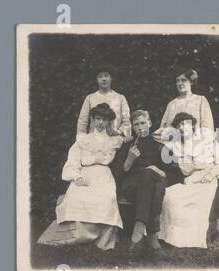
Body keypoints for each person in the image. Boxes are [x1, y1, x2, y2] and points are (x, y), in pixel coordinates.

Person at [155, 68, 219, 243]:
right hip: (178, 152)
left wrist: (199, 145)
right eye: (177, 81)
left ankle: (210, 232)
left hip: (199, 148)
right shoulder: (172, 104)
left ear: (191, 82)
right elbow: (163, 128)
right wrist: (175, 143)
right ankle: (178, 231)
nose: (180, 83)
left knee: (215, 188)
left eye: (184, 80)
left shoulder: (201, 101)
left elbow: (208, 127)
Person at [37, 103, 124, 250]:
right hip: (85, 173)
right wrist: (77, 177)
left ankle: (102, 239)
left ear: (109, 121)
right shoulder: (83, 140)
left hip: (104, 176)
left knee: (106, 197)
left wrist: (114, 132)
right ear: (92, 119)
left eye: (104, 119)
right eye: (98, 118)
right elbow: (73, 161)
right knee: (78, 195)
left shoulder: (114, 141)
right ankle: (79, 236)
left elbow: (129, 137)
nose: (100, 122)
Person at [113, 109, 183, 253]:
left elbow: (176, 175)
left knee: (150, 177)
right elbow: (117, 175)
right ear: (132, 127)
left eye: (143, 123)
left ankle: (138, 231)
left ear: (149, 123)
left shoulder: (160, 146)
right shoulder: (127, 146)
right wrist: (129, 160)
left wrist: (158, 171)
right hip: (132, 185)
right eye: (136, 124)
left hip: (156, 180)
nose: (140, 127)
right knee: (152, 184)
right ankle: (152, 237)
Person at [158, 112, 219, 248]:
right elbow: (186, 170)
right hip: (192, 180)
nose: (182, 127)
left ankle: (197, 238)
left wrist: (211, 173)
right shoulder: (180, 147)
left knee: (202, 203)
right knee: (170, 197)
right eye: (179, 125)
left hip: (210, 178)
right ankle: (176, 238)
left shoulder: (207, 140)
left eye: (185, 123)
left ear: (192, 125)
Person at [76, 64, 132, 140]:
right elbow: (82, 121)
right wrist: (81, 139)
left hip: (114, 140)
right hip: (94, 140)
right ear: (96, 80)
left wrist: (118, 132)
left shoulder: (120, 98)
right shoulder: (90, 98)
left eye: (106, 76)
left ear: (111, 78)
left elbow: (126, 122)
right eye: (100, 76)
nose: (104, 79)